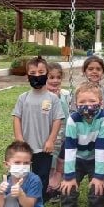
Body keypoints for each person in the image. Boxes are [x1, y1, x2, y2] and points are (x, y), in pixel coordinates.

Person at [59, 82, 104, 207]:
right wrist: (68, 177)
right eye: (82, 102)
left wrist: (99, 176)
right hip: (77, 159)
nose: (87, 105)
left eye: (91, 101)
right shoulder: (73, 120)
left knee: (98, 190)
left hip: (97, 158)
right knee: (67, 192)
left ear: (100, 103)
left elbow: (103, 149)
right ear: (76, 104)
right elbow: (69, 148)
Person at [12, 56, 64, 202]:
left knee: (42, 175)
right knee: (23, 174)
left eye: (41, 72)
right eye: (33, 73)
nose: (37, 76)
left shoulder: (53, 99)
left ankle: (38, 202)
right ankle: (22, 198)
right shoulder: (23, 97)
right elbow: (17, 117)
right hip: (25, 147)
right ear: (27, 76)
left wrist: (51, 140)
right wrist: (19, 139)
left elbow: (57, 120)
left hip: (44, 148)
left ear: (47, 73)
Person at [46, 61, 71, 199]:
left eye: (58, 77)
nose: (55, 81)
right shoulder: (43, 95)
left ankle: (58, 183)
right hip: (50, 134)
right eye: (51, 77)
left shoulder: (66, 94)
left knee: (62, 158)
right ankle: (49, 184)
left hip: (65, 132)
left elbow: (69, 111)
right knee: (51, 158)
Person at [81, 55, 104, 123]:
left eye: (98, 69)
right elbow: (74, 113)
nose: (94, 71)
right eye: (90, 69)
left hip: (103, 129)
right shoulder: (79, 91)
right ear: (84, 72)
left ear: (103, 72)